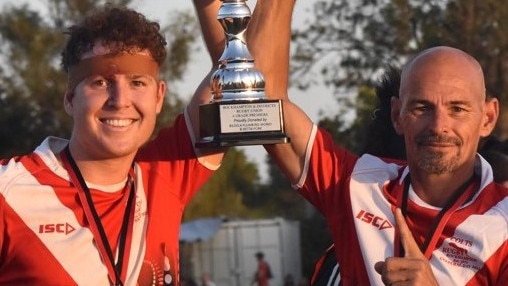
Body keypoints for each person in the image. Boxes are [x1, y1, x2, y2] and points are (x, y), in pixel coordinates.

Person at [239, 1, 508, 284]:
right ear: (397, 115)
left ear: (488, 118)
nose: (439, 125)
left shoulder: (502, 224)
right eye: (421, 108)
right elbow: (263, 105)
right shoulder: (358, 185)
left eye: (458, 109)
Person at [0, 4, 227, 285]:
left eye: (137, 83)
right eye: (100, 82)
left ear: (159, 97)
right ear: (70, 99)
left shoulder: (166, 172)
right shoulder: (8, 192)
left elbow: (237, 75)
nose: (120, 100)